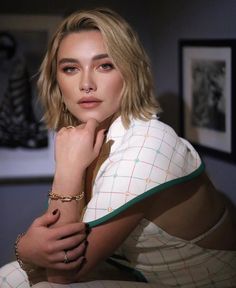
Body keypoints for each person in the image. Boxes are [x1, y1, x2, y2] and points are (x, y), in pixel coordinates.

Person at [0, 7, 236, 288]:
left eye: (105, 65)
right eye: (71, 68)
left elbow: (62, 273)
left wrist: (67, 169)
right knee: (8, 276)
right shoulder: (87, 136)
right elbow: (54, 246)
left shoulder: (147, 144)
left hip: (202, 283)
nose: (86, 83)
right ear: (57, 82)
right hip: (128, 269)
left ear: (130, 74)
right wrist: (26, 250)